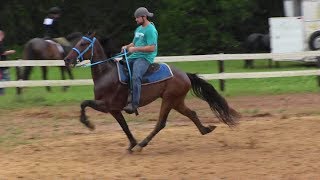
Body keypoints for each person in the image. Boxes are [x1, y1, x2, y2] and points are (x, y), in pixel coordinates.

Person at [121, 7, 158, 114]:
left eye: (137, 18)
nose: (136, 20)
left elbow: (152, 48)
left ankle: (134, 104)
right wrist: (126, 46)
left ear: (143, 17)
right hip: (134, 56)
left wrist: (135, 49)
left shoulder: (151, 30)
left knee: (136, 76)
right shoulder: (138, 29)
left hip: (145, 58)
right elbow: (134, 43)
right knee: (119, 68)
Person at [0, 30, 16, 95]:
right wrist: (11, 52)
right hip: (3, 65)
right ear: (2, 35)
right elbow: (3, 53)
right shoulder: (0, 43)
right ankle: (1, 94)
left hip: (3, 65)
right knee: (6, 79)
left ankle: (1, 94)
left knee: (4, 79)